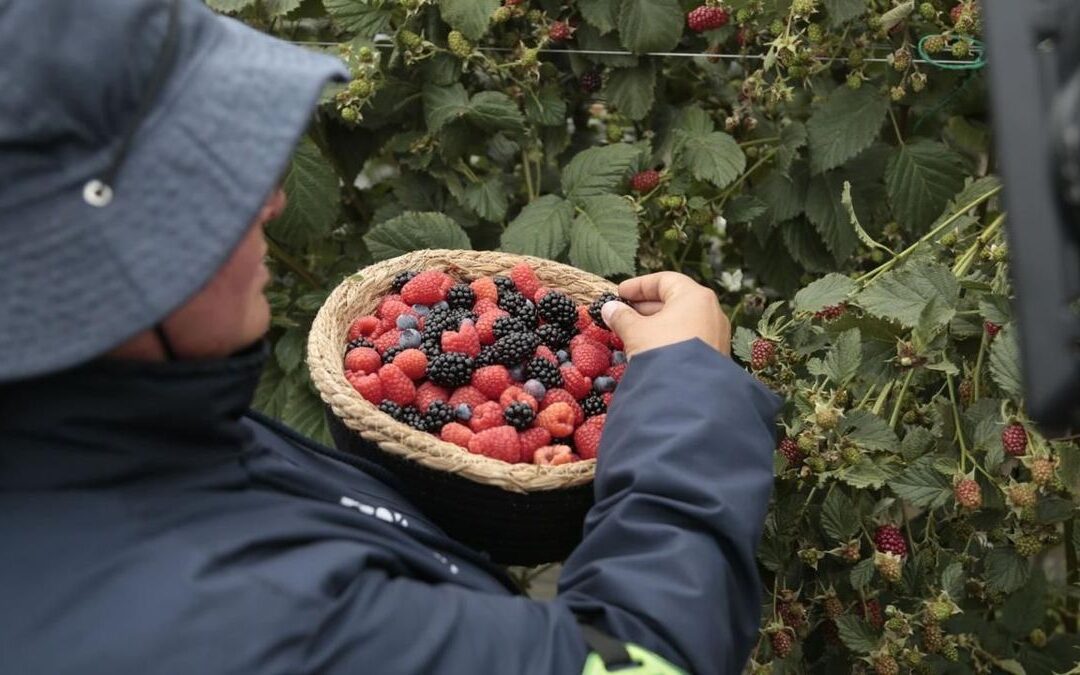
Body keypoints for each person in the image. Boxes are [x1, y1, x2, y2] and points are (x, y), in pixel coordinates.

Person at [0, 1, 781, 673]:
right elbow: (650, 655)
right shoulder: (260, 626)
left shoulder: (100, 432)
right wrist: (684, 388)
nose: (272, 199)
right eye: (210, 183)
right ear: (97, 266)